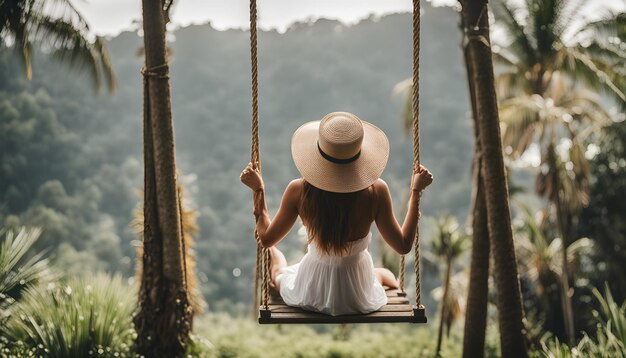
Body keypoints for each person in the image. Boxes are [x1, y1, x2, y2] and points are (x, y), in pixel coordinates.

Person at [240, 111, 433, 316]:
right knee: (384, 275)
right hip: (357, 295)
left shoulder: (298, 190)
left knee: (279, 271)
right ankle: (374, 284)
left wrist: (258, 190)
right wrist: (416, 192)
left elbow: (267, 238)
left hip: (313, 289)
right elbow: (403, 246)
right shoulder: (377, 191)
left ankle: (275, 258)